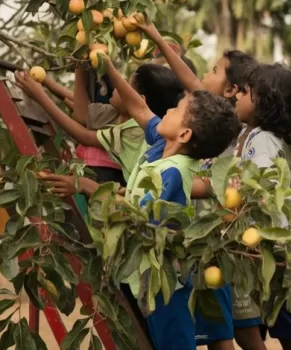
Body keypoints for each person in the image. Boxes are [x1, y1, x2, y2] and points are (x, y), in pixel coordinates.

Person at [99, 53, 241, 350]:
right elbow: (139, 106)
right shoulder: (163, 146)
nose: (167, 111)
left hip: (166, 287)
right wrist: (109, 67)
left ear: (185, 133)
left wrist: (116, 203)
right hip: (149, 280)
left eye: (176, 109)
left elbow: (147, 221)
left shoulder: (173, 173)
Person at [232, 62, 291, 350]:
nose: (237, 95)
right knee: (283, 325)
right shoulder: (246, 133)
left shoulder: (263, 141)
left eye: (245, 92)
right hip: (272, 239)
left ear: (265, 103)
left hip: (288, 238)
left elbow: (263, 193)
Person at [14, 62, 185, 187]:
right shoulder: (121, 115)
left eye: (124, 86)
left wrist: (40, 96)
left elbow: (83, 135)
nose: (116, 87)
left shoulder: (133, 131)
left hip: (112, 184)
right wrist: (77, 66)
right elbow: (82, 113)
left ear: (138, 101)